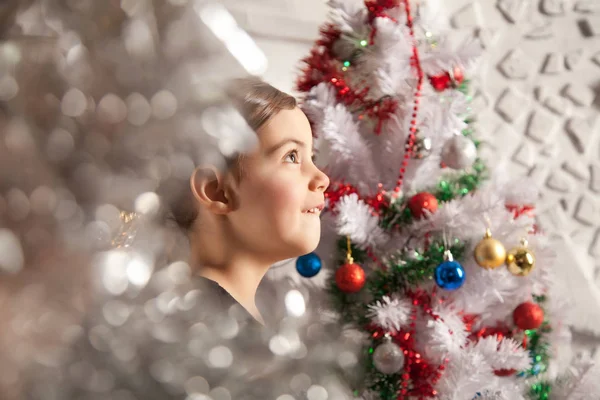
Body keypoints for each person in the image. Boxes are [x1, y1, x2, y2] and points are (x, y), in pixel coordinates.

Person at [165, 77, 330, 326]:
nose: (322, 178)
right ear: (216, 191)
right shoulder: (200, 331)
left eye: (312, 156)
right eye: (292, 156)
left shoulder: (247, 327)